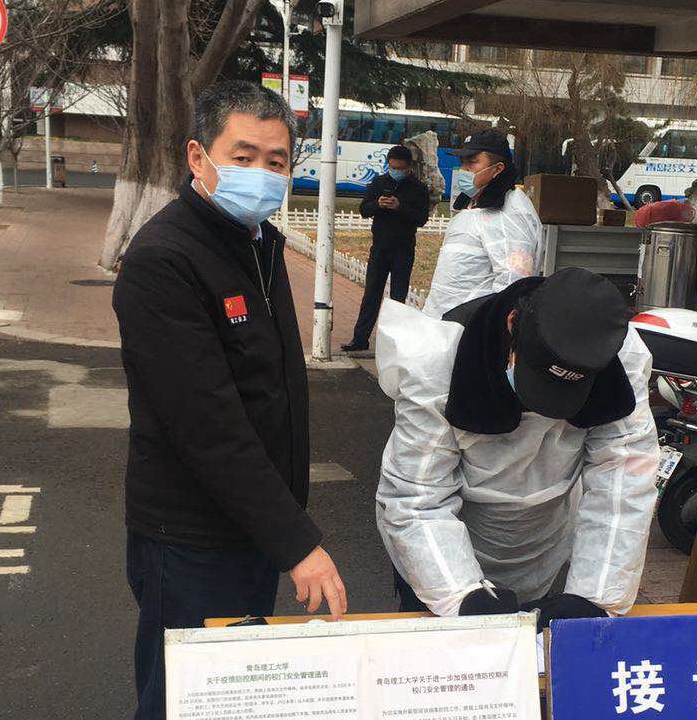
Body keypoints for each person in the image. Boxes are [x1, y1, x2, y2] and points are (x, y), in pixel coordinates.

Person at [112, 80, 347, 720]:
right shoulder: (164, 260)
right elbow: (208, 426)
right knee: (182, 700)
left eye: (276, 161)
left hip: (250, 528)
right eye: (243, 157)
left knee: (235, 697)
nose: (261, 174)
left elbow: (271, 388)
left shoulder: (257, 241)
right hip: (191, 537)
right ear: (198, 156)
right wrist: (297, 543)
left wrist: (278, 528)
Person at [374, 267, 659, 627]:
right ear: (512, 325)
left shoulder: (611, 354)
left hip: (539, 542)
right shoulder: (440, 361)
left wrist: (594, 597)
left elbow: (623, 483)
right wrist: (461, 597)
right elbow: (417, 498)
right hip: (436, 549)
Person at [422, 129, 544, 319]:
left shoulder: (508, 213)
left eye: (472, 162)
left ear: (497, 169)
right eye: (462, 163)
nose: (464, 170)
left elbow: (513, 282)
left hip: (470, 327)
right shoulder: (475, 205)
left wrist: (485, 327)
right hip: (445, 323)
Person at [341, 145, 430, 352]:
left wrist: (400, 207)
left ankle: (393, 343)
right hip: (380, 247)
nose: (395, 171)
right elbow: (364, 209)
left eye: (399, 168)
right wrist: (377, 204)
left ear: (408, 167)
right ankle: (360, 339)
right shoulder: (379, 183)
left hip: (403, 248)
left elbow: (421, 219)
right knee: (371, 294)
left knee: (398, 297)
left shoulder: (419, 188)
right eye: (392, 167)